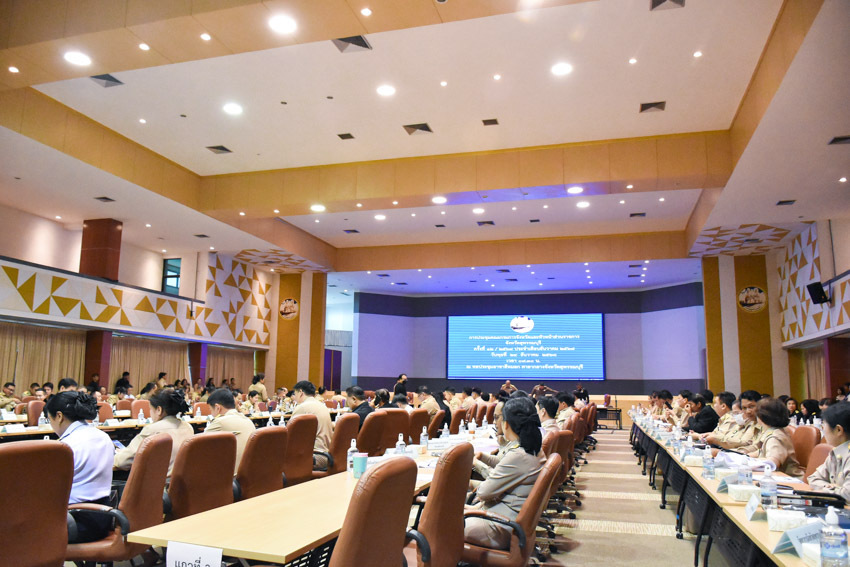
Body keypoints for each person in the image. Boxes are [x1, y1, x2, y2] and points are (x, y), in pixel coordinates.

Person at [465, 397, 545, 549]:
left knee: (440, 521)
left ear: (506, 424)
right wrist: (476, 508)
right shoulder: (535, 449)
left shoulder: (518, 455)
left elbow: (483, 492)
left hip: (502, 526)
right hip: (510, 520)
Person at [45, 391, 113, 543]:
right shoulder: (103, 436)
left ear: (59, 416)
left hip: (74, 522)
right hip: (104, 517)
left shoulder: (66, 446)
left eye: (49, 419)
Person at [114, 388, 194, 476]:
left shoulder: (152, 429)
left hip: (159, 483)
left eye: (150, 409)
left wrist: (120, 454)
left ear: (159, 410)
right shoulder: (188, 427)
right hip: (183, 482)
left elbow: (122, 462)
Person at [746, 397, 804, 479]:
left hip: (789, 479)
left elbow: (772, 463)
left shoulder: (774, 438)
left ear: (761, 417)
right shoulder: (777, 431)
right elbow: (762, 452)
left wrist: (747, 464)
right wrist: (743, 457)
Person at [204, 388, 256, 473]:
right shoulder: (248, 421)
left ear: (217, 407)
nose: (211, 414)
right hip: (250, 473)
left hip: (230, 476)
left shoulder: (219, 422)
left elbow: (199, 446)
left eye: (210, 410)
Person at [808, 402, 850, 499]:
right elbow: (813, 478)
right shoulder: (836, 452)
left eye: (824, 426)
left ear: (838, 430)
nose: (823, 430)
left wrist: (828, 490)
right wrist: (831, 488)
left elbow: (847, 494)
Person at [291, 381, 333, 470]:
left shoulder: (302, 407)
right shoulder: (322, 405)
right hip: (328, 455)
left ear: (301, 392)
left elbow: (290, 435)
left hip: (315, 456)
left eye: (295, 394)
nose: (295, 398)